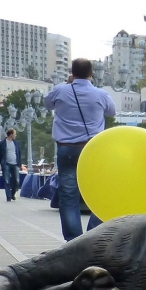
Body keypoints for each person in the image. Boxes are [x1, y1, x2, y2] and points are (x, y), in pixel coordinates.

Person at [44, 57, 116, 240]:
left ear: (72, 73)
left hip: (66, 150)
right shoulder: (101, 94)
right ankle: (93, 235)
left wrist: (67, 84)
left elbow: (47, 103)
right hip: (93, 150)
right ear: (91, 74)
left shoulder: (60, 90)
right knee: (100, 194)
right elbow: (112, 112)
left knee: (68, 197)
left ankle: (73, 241)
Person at [0, 128, 24, 201]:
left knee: (16, 180)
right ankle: (9, 196)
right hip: (6, 164)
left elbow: (19, 154)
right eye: (14, 134)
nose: (15, 135)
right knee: (7, 180)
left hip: (15, 164)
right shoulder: (2, 143)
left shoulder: (16, 143)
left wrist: (20, 164)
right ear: (11, 134)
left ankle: (12, 193)